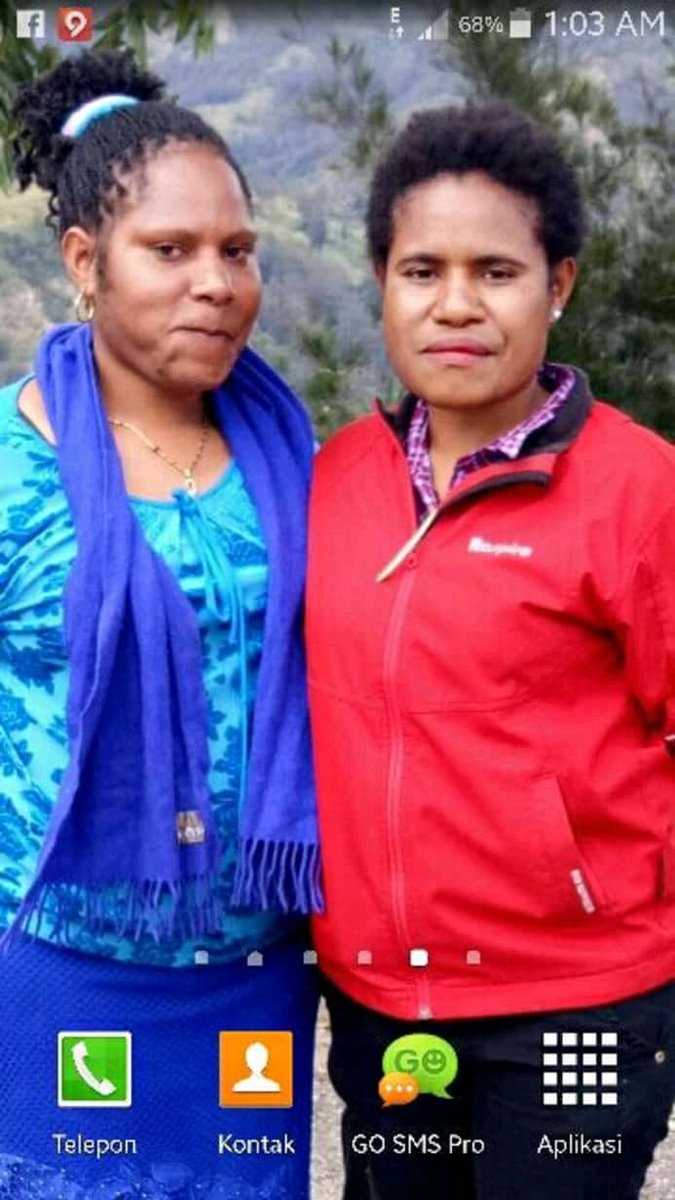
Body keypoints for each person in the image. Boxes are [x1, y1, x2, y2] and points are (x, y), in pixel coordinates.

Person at [306, 101, 675, 1199]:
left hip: (576, 1003)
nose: (456, 304)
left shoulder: (641, 492)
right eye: (422, 270)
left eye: (497, 272)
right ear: (381, 283)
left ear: (557, 285)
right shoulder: (333, 481)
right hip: (384, 1003)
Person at [0, 49, 321, 1199]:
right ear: (85, 262)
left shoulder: (297, 460)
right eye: (171, 250)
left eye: (238, 250)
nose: (216, 283)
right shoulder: (13, 469)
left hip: (253, 978)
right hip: (57, 970)